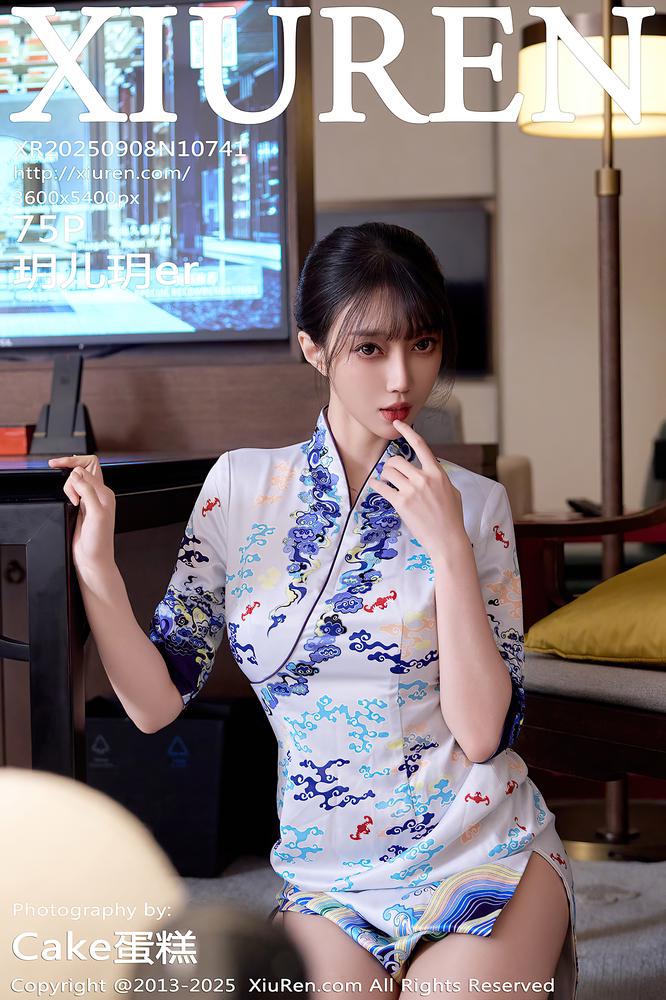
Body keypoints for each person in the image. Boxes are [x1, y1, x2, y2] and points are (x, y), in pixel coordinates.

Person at [48, 222, 578, 999]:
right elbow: (155, 704)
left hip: (480, 850)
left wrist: (450, 551)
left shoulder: (475, 503)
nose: (401, 376)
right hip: (329, 879)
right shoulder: (239, 488)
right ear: (314, 348)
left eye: (423, 344)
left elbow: (481, 734)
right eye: (369, 348)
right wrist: (96, 565)